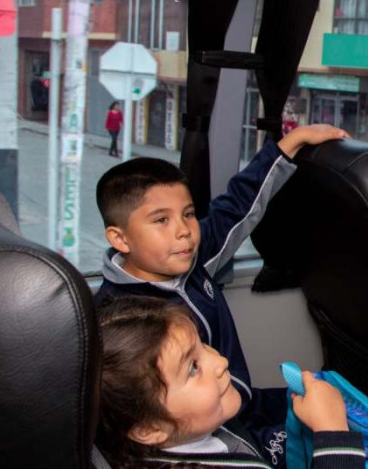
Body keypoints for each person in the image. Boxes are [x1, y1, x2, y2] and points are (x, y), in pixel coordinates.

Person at [93, 124, 347, 446]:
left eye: (187, 214)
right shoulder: (120, 322)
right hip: (210, 429)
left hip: (242, 402)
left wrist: (289, 144)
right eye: (161, 220)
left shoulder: (190, 260)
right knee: (325, 440)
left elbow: (235, 206)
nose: (184, 231)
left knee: (343, 406)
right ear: (120, 238)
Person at [95, 295, 365, 468]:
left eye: (203, 344)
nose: (221, 361)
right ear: (148, 429)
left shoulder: (198, 430)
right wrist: (332, 433)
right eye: (192, 368)